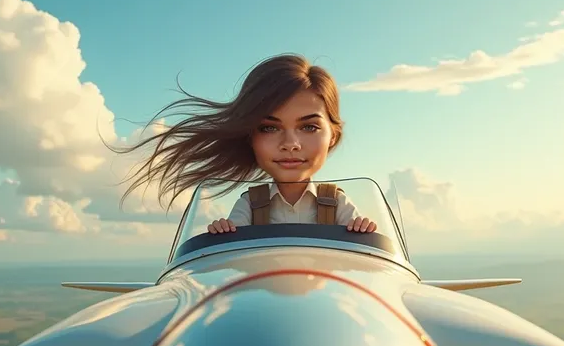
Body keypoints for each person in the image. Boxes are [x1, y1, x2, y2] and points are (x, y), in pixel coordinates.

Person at [116, 53, 377, 235]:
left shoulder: (337, 202)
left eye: (309, 127)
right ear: (250, 135)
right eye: (269, 128)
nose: (290, 144)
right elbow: (235, 248)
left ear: (332, 135)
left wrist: (363, 230)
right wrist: (223, 232)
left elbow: (360, 251)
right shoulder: (250, 204)